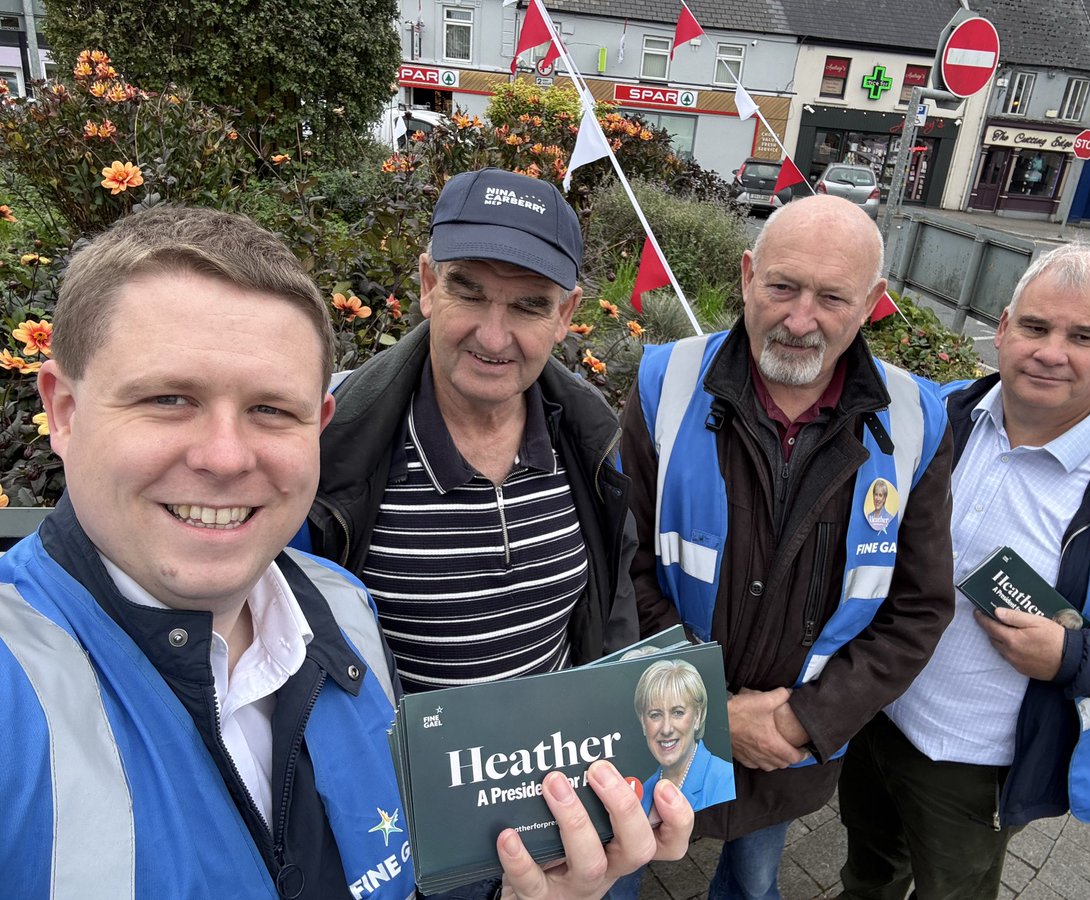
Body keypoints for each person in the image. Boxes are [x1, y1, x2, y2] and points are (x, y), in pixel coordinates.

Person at [0, 206, 693, 900]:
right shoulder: (18, 689)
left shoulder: (341, 610)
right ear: (62, 410)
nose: (223, 456)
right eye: (168, 397)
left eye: (272, 409)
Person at [618, 194, 957, 899]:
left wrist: (808, 721)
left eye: (832, 296)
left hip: (786, 749)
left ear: (872, 303)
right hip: (657, 722)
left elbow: (918, 607)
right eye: (782, 286)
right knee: (613, 872)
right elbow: (622, 570)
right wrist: (708, 708)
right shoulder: (664, 385)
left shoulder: (918, 419)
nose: (801, 319)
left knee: (752, 884)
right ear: (747, 276)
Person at [839, 243, 1090, 900]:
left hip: (978, 765)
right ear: (1003, 328)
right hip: (868, 714)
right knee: (868, 874)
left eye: (1083, 336)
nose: (1051, 351)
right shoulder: (931, 415)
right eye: (1036, 326)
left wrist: (1071, 653)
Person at [298, 168, 637, 697]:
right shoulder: (334, 442)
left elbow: (611, 612)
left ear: (565, 314)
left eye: (529, 305)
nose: (494, 335)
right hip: (398, 775)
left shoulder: (589, 437)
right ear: (430, 286)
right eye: (470, 293)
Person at [634, 659, 735, 816]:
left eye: (678, 713)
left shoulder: (724, 780)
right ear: (642, 722)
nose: (666, 729)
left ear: (698, 716)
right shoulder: (643, 792)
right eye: (655, 715)